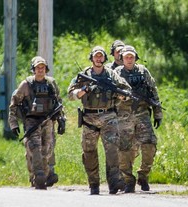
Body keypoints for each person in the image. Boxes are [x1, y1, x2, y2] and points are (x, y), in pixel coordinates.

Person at [67, 46, 131, 195]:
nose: (98, 59)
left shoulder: (111, 74)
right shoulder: (83, 75)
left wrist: (122, 95)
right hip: (89, 119)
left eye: (101, 56)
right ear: (91, 58)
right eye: (96, 56)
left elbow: (126, 90)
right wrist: (83, 91)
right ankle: (94, 183)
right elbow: (71, 94)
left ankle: (114, 183)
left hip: (109, 117)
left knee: (112, 152)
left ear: (104, 58)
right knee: (89, 153)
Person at [8, 56, 65, 190]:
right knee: (34, 148)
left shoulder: (51, 83)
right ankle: (38, 175)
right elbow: (14, 104)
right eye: (38, 67)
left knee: (47, 149)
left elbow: (59, 103)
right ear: (33, 69)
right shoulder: (26, 85)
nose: (40, 70)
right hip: (32, 121)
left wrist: (62, 120)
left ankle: (42, 175)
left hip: (48, 120)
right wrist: (13, 123)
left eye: (43, 67)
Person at [114, 45, 163, 193]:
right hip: (123, 116)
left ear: (135, 58)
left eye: (132, 57)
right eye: (126, 57)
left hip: (142, 114)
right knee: (124, 149)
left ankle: (143, 175)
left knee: (150, 144)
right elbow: (111, 93)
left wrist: (158, 112)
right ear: (122, 58)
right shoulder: (116, 73)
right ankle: (128, 180)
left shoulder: (143, 71)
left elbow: (153, 91)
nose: (129, 59)